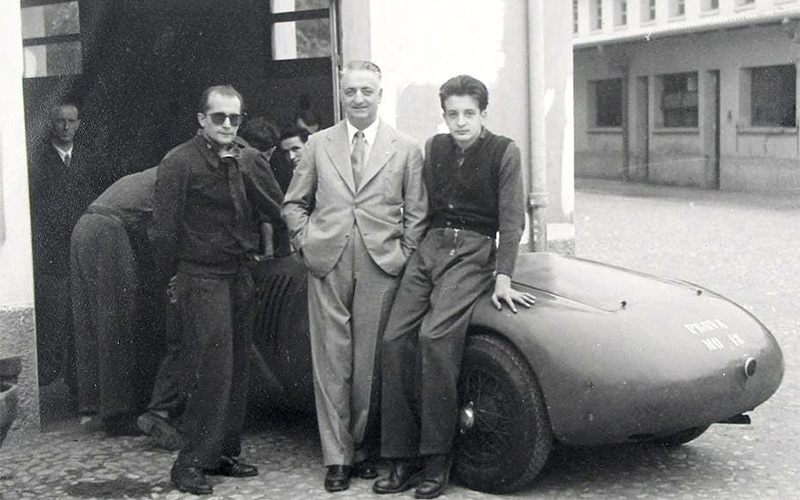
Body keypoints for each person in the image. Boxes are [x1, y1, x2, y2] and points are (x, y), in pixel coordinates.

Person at [373, 75, 536, 499]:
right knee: (393, 339)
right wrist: (415, 249)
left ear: (484, 114)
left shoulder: (504, 151)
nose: (460, 122)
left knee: (435, 337)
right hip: (431, 247)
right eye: (452, 114)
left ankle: (435, 457)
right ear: (443, 115)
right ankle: (399, 456)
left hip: (473, 251)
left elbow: (512, 221)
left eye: (469, 114)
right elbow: (422, 206)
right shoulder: (436, 147)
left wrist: (503, 276)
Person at [282, 60, 428, 493]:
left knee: (368, 365)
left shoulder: (405, 148)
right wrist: (306, 242)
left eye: (367, 91)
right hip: (327, 260)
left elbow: (418, 214)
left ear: (380, 95)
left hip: (381, 265)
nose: (359, 98)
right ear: (340, 96)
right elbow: (293, 203)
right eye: (351, 92)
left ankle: (361, 447)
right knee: (331, 361)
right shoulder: (318, 145)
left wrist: (401, 257)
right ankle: (337, 458)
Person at [149, 85, 284, 495]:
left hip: (239, 275)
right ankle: (189, 463)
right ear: (201, 120)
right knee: (213, 372)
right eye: (219, 117)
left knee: (238, 369)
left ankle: (224, 452)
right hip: (201, 277)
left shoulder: (246, 159)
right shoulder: (179, 162)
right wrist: (172, 280)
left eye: (235, 118)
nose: (228, 125)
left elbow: (277, 207)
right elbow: (164, 232)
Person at [70, 167, 165, 436]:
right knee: (118, 321)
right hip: (108, 230)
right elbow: (164, 232)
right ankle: (118, 413)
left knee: (89, 319)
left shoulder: (153, 174)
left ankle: (91, 405)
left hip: (85, 228)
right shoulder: (178, 175)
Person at [29, 102, 97, 390]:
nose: (66, 127)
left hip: (81, 249)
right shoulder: (38, 161)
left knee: (82, 315)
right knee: (54, 316)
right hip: (52, 254)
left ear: (79, 124)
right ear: (52, 124)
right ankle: (50, 377)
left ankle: (77, 382)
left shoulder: (90, 159)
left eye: (71, 121)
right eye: (60, 121)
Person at [270, 126, 308, 192]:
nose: (291, 156)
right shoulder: (282, 179)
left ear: (308, 146)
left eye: (295, 149)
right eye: (286, 152)